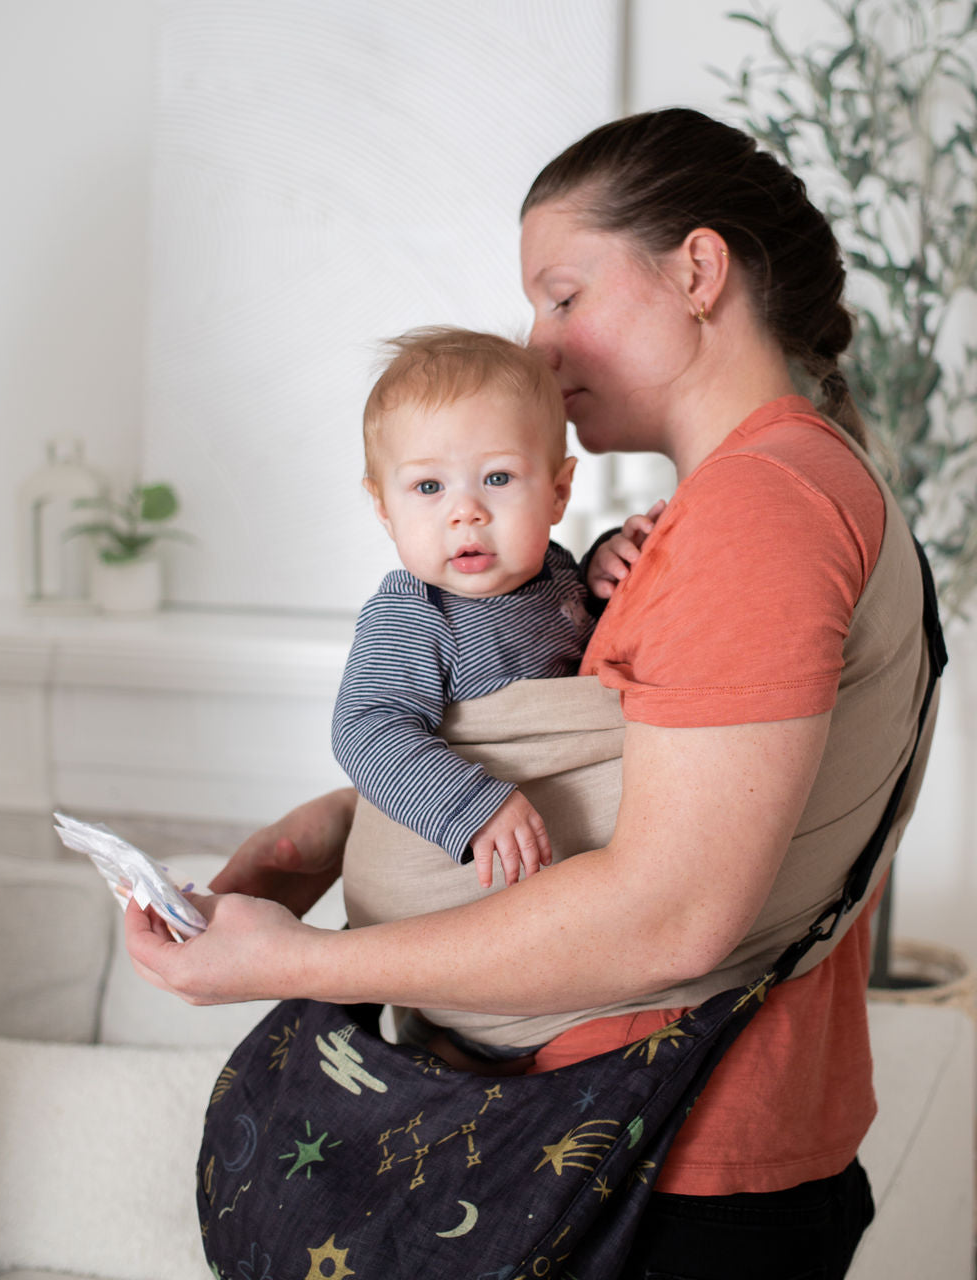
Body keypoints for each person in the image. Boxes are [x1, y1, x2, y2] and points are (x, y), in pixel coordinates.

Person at [126, 107, 937, 1279]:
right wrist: (344, 827)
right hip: (616, 1132)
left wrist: (288, 961)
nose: (539, 346)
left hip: (658, 1156)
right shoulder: (720, 507)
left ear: (697, 272)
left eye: (563, 296)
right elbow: (608, 769)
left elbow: (671, 910)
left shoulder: (760, 508)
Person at [332, 325, 652, 891]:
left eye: (497, 478)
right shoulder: (414, 613)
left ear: (558, 492)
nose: (466, 512)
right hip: (466, 858)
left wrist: (602, 569)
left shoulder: (555, 571)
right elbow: (365, 727)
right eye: (429, 487)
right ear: (383, 508)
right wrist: (472, 804)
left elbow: (586, 649)